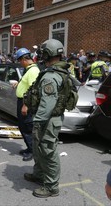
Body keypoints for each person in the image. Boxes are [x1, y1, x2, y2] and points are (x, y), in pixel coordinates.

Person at [23, 39, 70, 198]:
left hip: (47, 120)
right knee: (38, 148)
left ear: (49, 54)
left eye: (44, 52)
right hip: (46, 119)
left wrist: (37, 121)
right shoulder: (54, 72)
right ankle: (39, 175)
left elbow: (47, 104)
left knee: (48, 152)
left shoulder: (50, 76)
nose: (41, 55)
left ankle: (51, 187)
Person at [12, 48, 40, 161]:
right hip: (23, 101)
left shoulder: (33, 71)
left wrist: (26, 105)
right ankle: (29, 148)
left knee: (27, 127)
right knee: (23, 126)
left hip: (26, 102)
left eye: (20, 60)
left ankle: (32, 151)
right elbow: (27, 84)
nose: (20, 63)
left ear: (24, 59)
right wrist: (19, 84)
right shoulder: (29, 70)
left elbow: (33, 90)